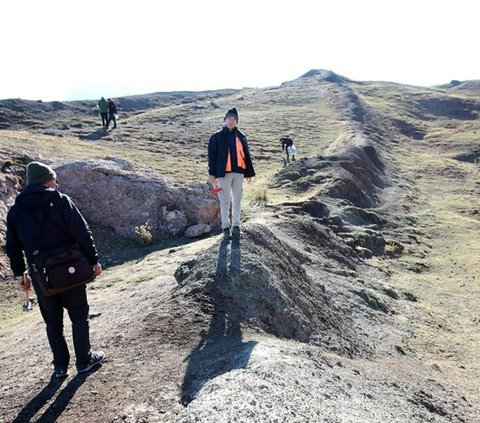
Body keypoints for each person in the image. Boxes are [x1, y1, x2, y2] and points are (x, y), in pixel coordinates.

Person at [5, 161, 105, 378]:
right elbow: (82, 232)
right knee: (79, 316)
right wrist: (93, 260)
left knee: (53, 322)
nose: (57, 184)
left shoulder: (16, 211)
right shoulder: (60, 201)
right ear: (46, 181)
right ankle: (84, 360)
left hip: (41, 277)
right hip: (72, 271)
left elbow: (13, 247)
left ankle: (60, 367)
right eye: (54, 180)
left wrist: (20, 275)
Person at [208, 107, 255, 240]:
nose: (231, 120)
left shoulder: (241, 137)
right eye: (229, 117)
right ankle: (225, 228)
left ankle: (236, 226)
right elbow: (211, 156)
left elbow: (246, 156)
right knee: (224, 201)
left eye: (234, 118)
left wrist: (249, 173)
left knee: (237, 200)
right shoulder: (216, 137)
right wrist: (212, 174)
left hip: (239, 173)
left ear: (237, 121)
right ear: (225, 119)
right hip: (223, 174)